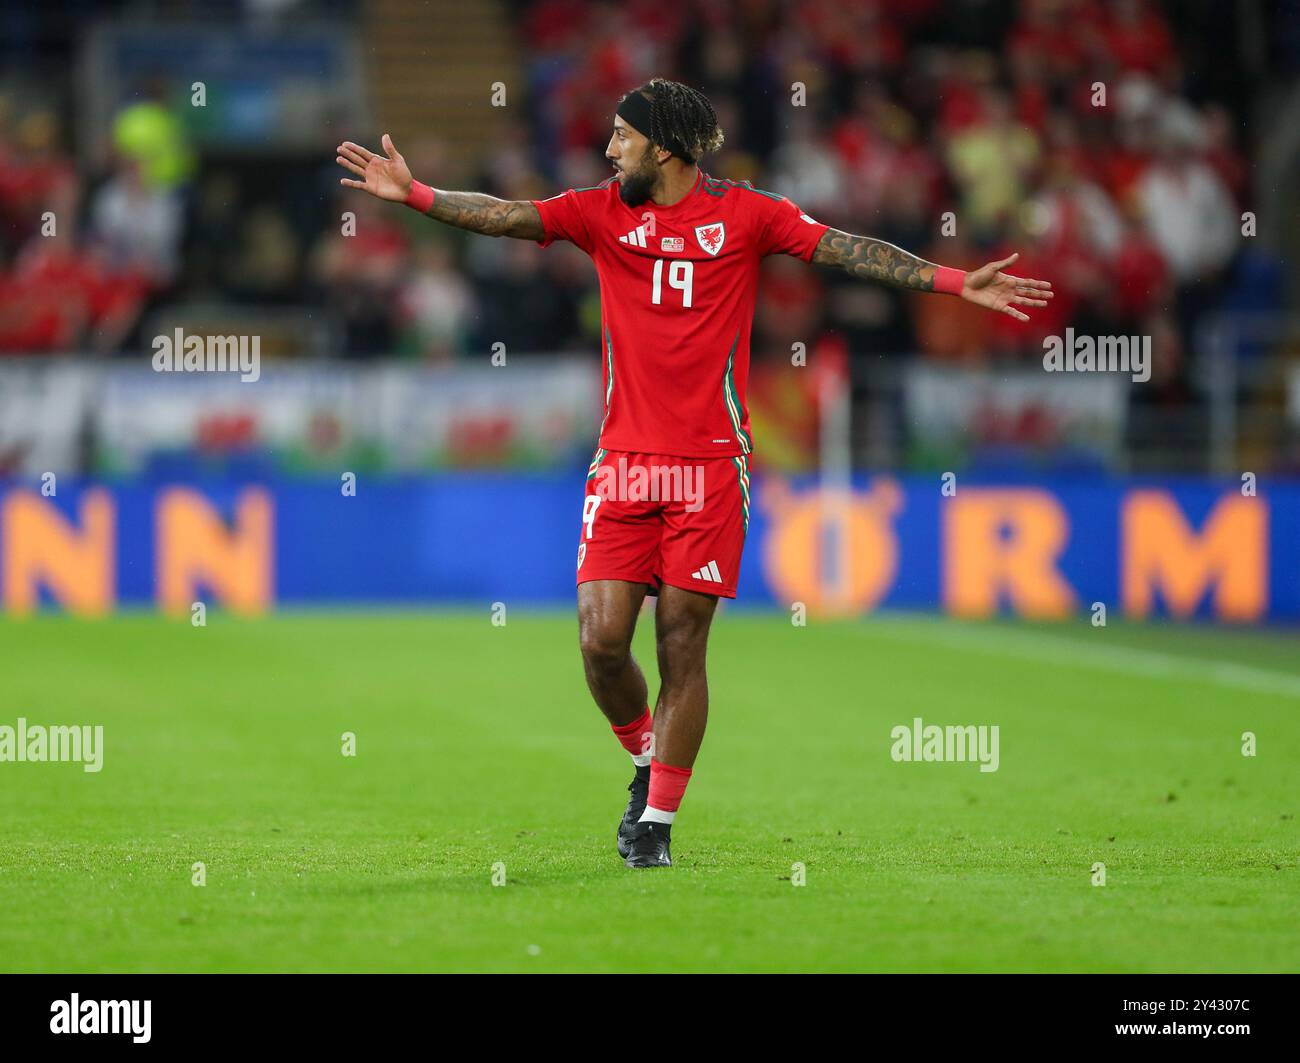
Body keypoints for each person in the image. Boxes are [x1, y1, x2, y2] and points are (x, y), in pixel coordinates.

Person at [336, 79, 1052, 868]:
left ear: (664, 147)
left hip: (711, 467)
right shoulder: (601, 210)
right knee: (602, 641)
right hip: (625, 464)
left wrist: (956, 281)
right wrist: (418, 196)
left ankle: (656, 826)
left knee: (683, 645)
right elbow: (512, 217)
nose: (609, 150)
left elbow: (849, 248)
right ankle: (645, 761)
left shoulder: (749, 215)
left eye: (621, 137)